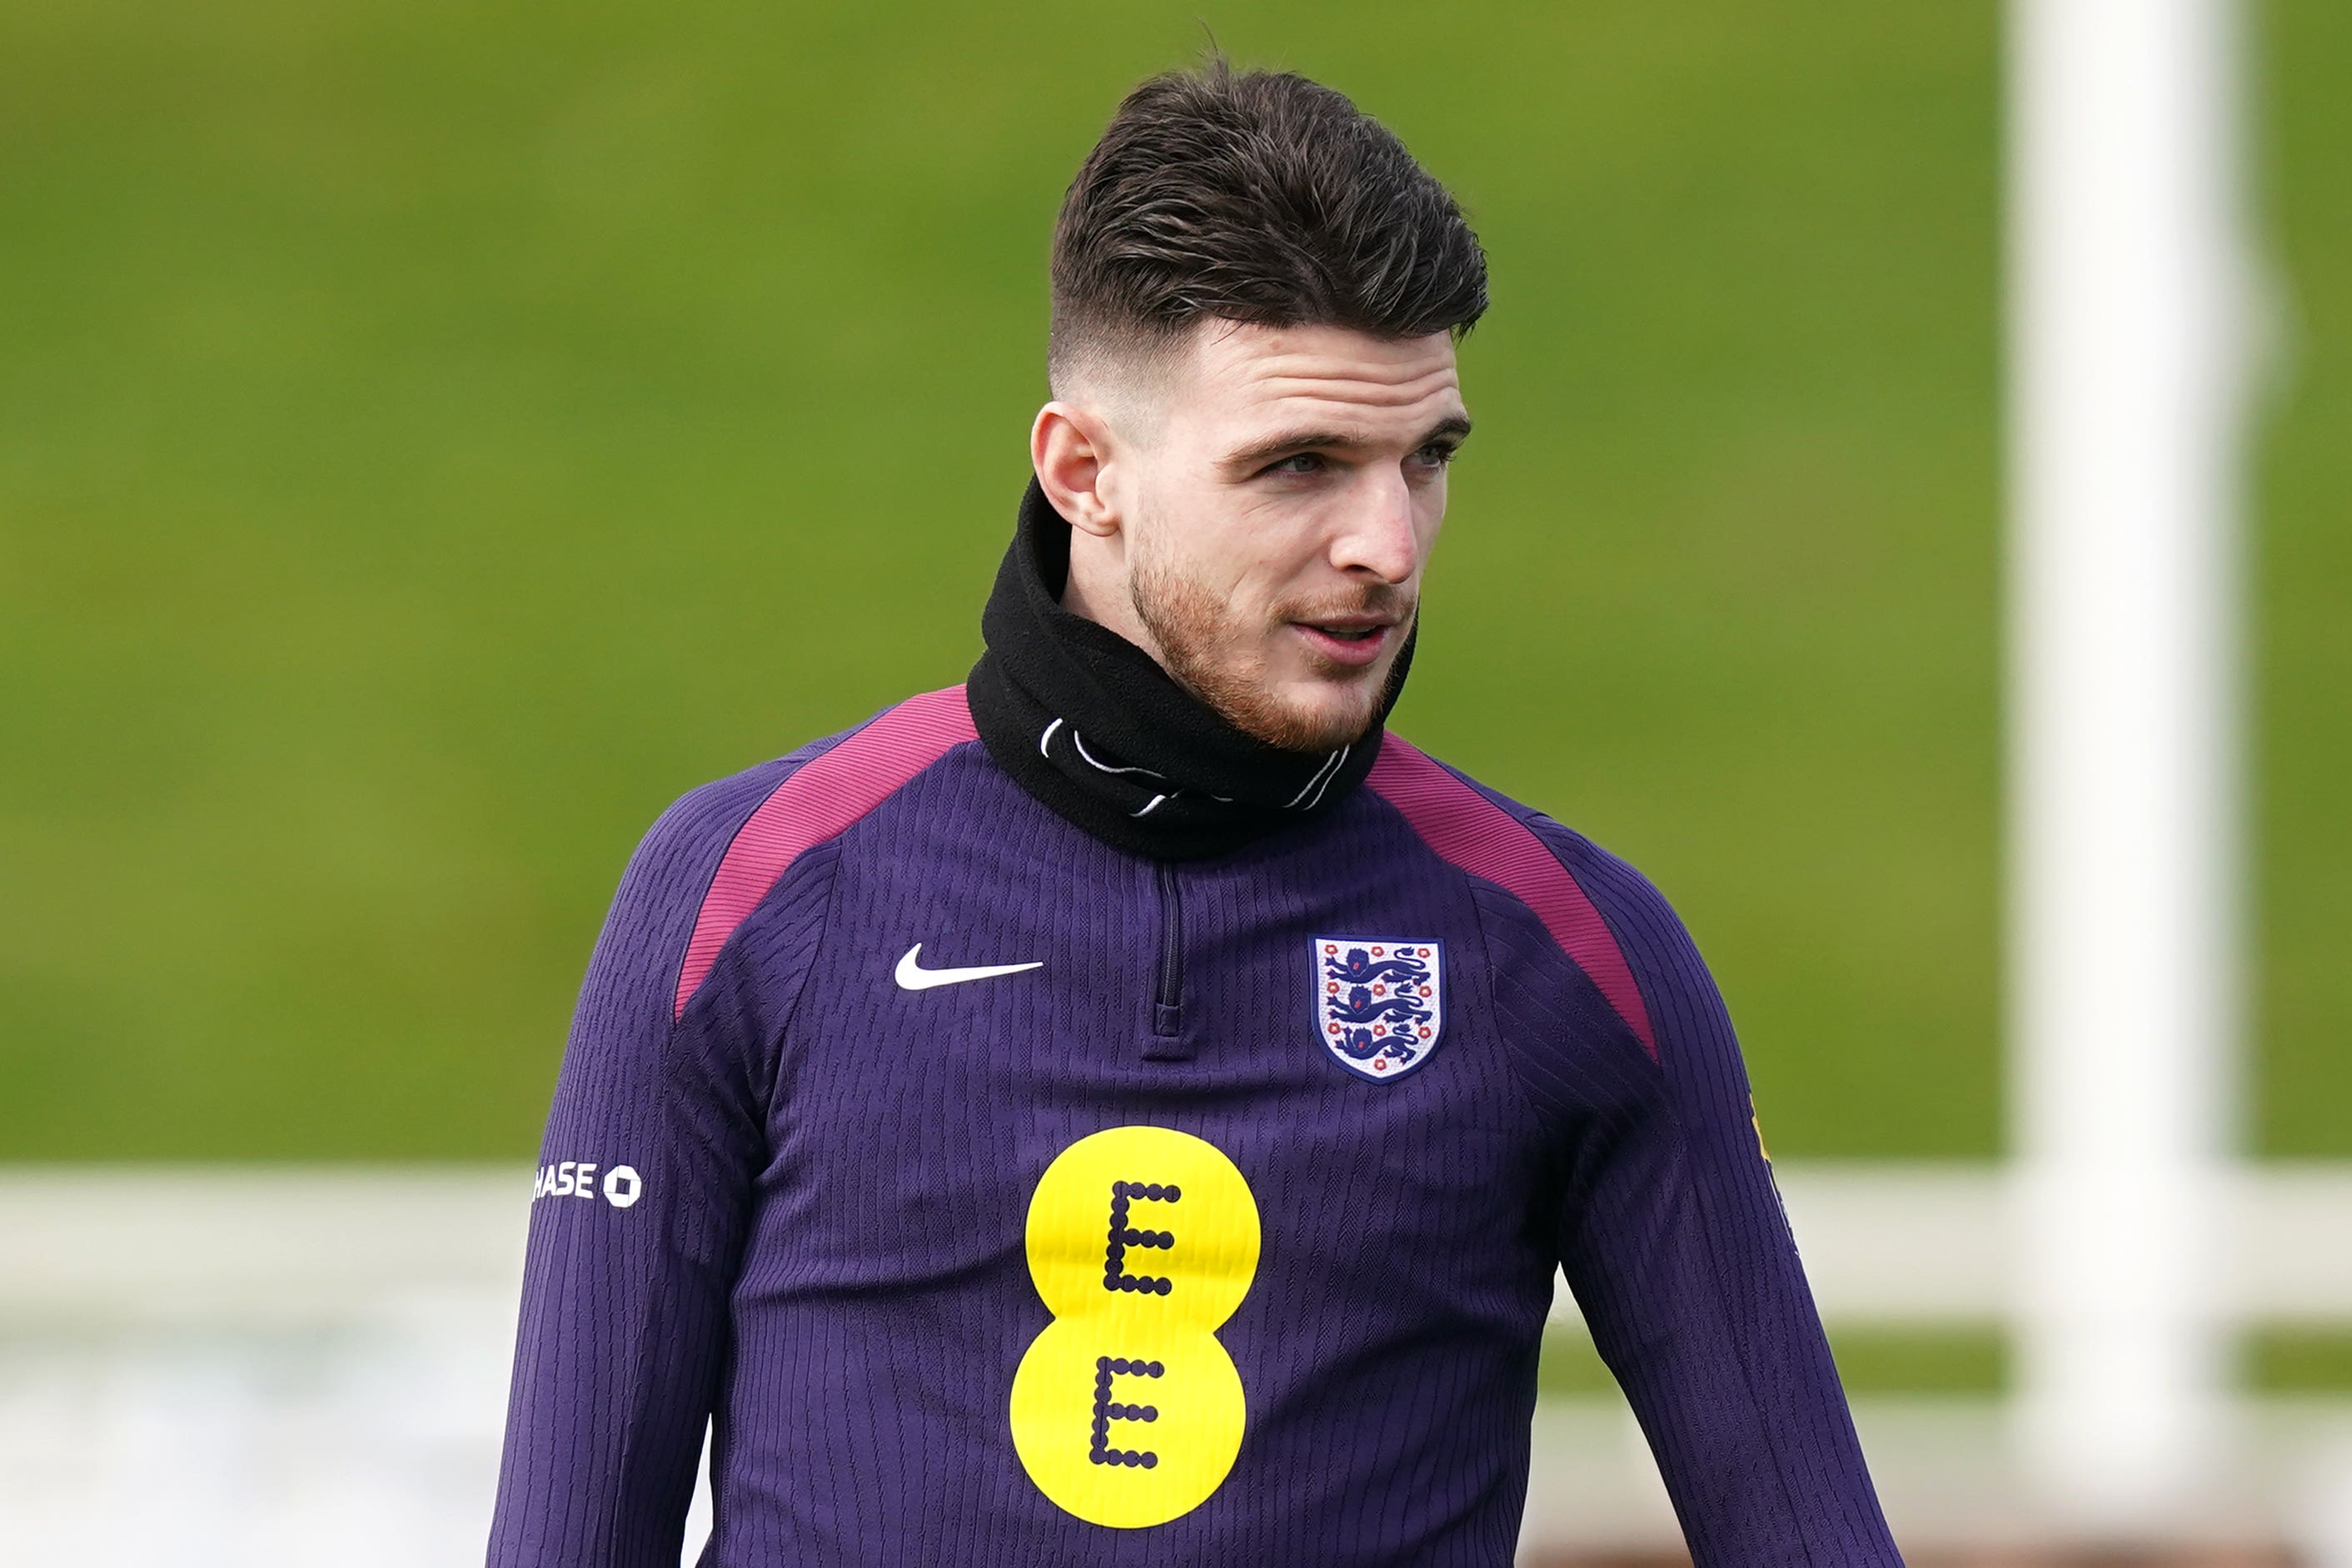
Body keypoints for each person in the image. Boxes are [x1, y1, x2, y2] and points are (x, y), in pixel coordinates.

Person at [487, 57, 1902, 1568]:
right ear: (1085, 469)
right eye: (1299, 465)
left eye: (1425, 460)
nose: (1386, 544)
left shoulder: (1571, 949)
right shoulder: (745, 892)